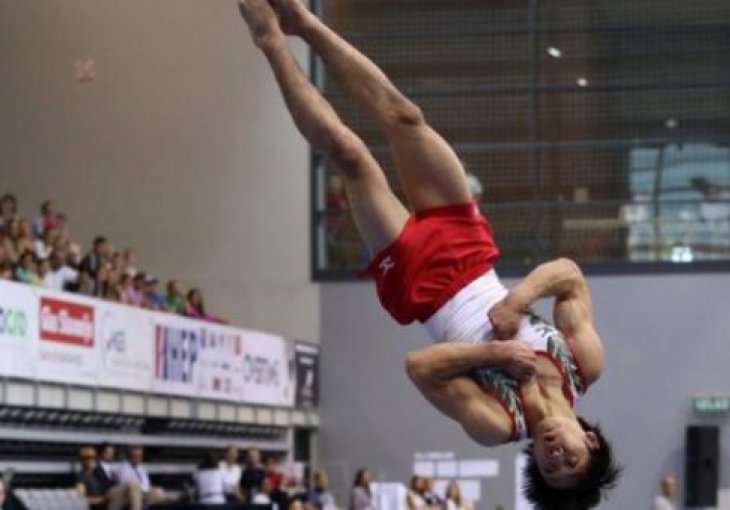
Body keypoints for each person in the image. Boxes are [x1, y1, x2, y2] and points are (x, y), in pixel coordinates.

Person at [236, 2, 620, 508]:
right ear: (590, 441)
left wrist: (493, 353)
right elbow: (569, 275)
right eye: (570, 461)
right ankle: (305, 23)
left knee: (350, 157)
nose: (555, 458)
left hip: (425, 286)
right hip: (470, 248)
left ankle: (270, 42)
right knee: (404, 116)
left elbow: (419, 366)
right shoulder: (584, 366)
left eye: (550, 470)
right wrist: (516, 301)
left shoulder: (497, 424)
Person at [75, 446, 142, 510]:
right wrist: (101, 499)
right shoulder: (82, 476)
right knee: (132, 486)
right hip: (102, 502)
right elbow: (82, 500)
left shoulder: (99, 469)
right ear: (82, 460)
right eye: (87, 457)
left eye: (94, 457)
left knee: (134, 487)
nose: (91, 460)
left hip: (110, 495)